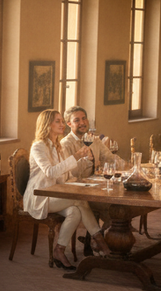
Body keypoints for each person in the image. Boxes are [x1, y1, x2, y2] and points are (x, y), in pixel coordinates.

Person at [24, 108, 111, 270]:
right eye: (57, 121)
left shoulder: (58, 146)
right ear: (47, 125)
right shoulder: (38, 146)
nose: (62, 124)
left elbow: (65, 175)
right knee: (80, 200)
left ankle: (59, 250)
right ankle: (99, 240)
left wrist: (83, 180)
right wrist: (76, 157)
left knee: (75, 212)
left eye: (62, 121)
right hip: (40, 197)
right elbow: (50, 172)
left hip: (55, 194)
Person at [60, 106, 127, 179]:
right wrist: (86, 160)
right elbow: (70, 172)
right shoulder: (65, 144)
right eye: (77, 120)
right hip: (75, 184)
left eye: (84, 118)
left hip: (96, 183)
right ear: (69, 124)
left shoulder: (94, 140)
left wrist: (128, 166)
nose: (82, 123)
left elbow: (110, 158)